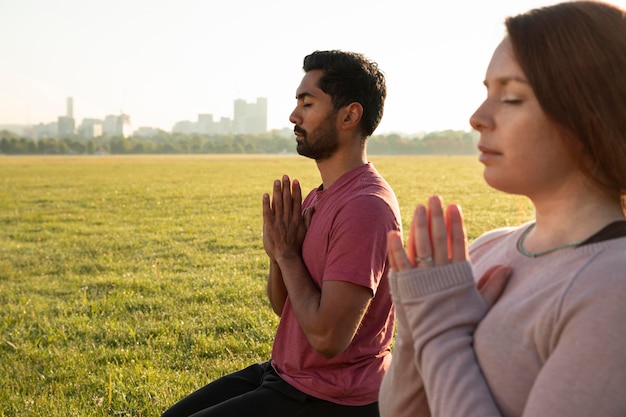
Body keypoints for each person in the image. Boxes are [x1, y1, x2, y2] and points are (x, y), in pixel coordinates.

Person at [378, 2, 626, 416]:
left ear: (590, 112)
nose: (477, 117)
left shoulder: (612, 288)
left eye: (510, 98)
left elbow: (441, 333)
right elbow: (399, 412)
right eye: (486, 92)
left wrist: (441, 327)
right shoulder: (486, 250)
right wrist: (416, 315)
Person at [162, 50, 401, 417]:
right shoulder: (319, 197)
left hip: (332, 397)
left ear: (350, 115)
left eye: (307, 103)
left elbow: (327, 338)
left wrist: (288, 255)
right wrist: (278, 253)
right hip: (286, 375)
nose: (294, 116)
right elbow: (283, 306)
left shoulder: (365, 206)